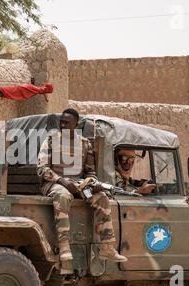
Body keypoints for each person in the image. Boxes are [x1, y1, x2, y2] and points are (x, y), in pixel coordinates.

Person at [37, 108, 127, 275]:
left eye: (67, 123)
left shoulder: (85, 144)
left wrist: (93, 184)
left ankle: (106, 247)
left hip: (79, 185)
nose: (63, 125)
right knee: (62, 195)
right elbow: (42, 169)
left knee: (101, 198)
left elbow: (90, 172)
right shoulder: (51, 140)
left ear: (76, 125)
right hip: (55, 183)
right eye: (61, 122)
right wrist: (61, 180)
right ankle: (64, 245)